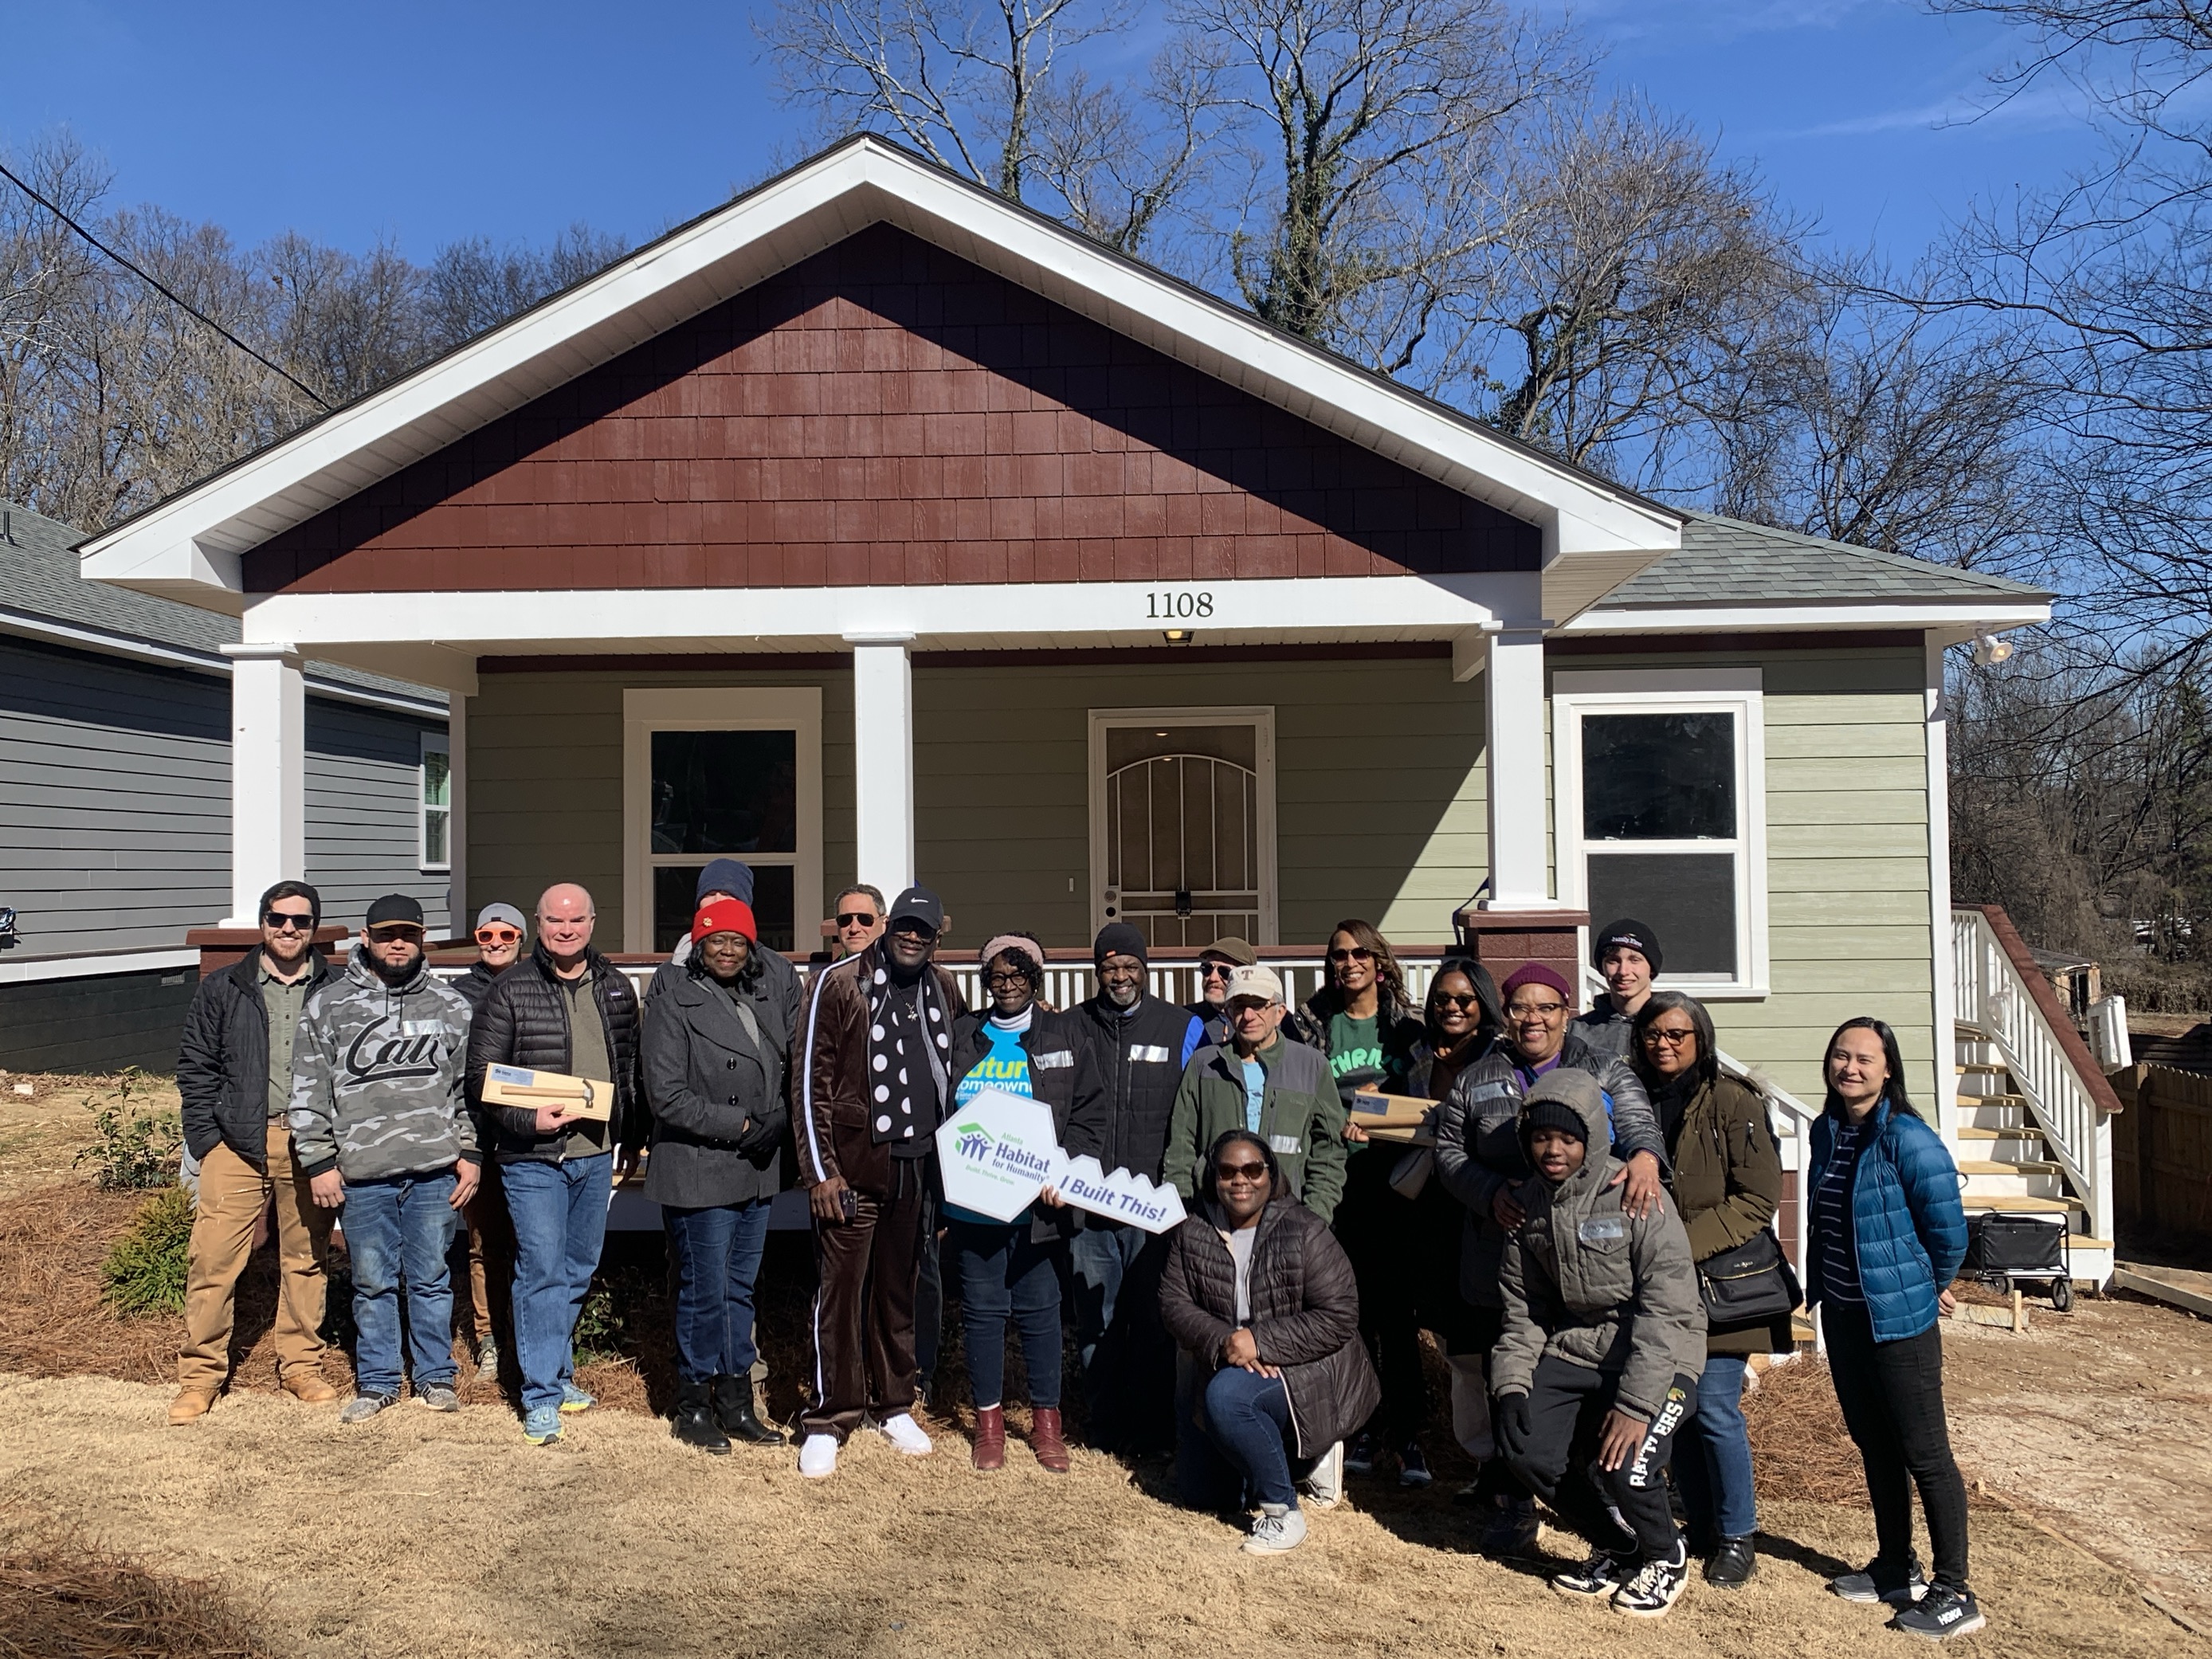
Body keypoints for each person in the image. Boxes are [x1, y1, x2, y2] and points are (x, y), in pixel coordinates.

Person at [1433, 959, 1669, 1554]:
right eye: (1520, 1007)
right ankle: (1512, 1502)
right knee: (1505, 1369)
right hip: (1505, 1246)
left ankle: (1594, 1495)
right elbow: (1450, 1153)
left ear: (1567, 1012)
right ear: (1505, 1014)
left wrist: (1643, 1158)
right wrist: (1491, 1194)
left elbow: (1640, 1122)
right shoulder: (1479, 1077)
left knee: (1579, 1376)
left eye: (1546, 1007)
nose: (1532, 1018)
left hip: (1592, 1250)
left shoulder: (1603, 1066)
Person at [1492, 1069, 1707, 1619]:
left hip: (1665, 1352)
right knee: (1526, 1451)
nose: (1554, 1150)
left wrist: (1636, 1407)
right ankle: (1619, 1547)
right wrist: (1513, 1384)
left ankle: (1666, 1555)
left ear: (1591, 1135)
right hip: (1581, 1347)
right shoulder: (1527, 1209)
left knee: (1626, 1464)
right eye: (1541, 1137)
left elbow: (1669, 1309)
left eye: (1567, 1137)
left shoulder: (1635, 1193)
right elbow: (1524, 1311)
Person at [1807, 1018, 1980, 1641]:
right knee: (1875, 1446)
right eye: (1840, 1056)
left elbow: (1949, 1234)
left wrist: (1927, 1286)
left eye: (1864, 1059)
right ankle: (1893, 1565)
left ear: (1888, 1070)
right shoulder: (1826, 1132)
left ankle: (1955, 1589)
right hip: (1847, 1317)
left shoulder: (1910, 1138)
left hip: (1900, 1324)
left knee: (1925, 1454)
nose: (1849, 1067)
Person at [794, 885, 967, 1478]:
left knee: (899, 1289)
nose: (913, 938)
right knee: (841, 1292)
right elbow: (810, 1084)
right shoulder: (837, 983)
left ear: (936, 936)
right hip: (854, 1167)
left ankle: (892, 1403)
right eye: (905, 927)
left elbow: (960, 1065)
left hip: (917, 1167)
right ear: (889, 928)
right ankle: (831, 1414)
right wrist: (821, 1171)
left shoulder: (944, 986)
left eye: (925, 930)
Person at [288, 896, 480, 1422]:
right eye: (387, 934)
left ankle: (435, 1376)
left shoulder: (451, 1007)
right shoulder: (328, 1005)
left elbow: (468, 1089)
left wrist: (470, 1152)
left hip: (433, 1173)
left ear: (422, 941)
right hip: (362, 1176)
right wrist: (319, 1161)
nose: (398, 943)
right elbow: (308, 1091)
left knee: (430, 1278)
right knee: (372, 1281)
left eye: (409, 934)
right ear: (366, 940)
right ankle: (376, 1382)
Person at [465, 882, 642, 1446]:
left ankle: (558, 1374)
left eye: (577, 920)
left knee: (577, 1268)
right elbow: (482, 1081)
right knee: (540, 1269)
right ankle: (540, 1394)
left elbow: (629, 1072)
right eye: (554, 921)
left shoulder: (615, 988)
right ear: (539, 925)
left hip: (594, 1156)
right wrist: (529, 1123)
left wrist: (631, 1137)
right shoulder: (511, 990)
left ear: (593, 922)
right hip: (532, 1158)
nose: (566, 930)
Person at [1630, 990, 1792, 1588]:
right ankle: (1697, 1522)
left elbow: (1756, 1200)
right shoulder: (1633, 1101)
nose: (1664, 1044)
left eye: (1677, 1034)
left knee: (1718, 1409)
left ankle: (1736, 1535)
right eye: (1653, 1034)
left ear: (1701, 1039)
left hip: (1723, 1286)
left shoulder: (1732, 1100)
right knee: (1684, 1411)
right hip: (1660, 1290)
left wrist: (1677, 1247)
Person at [1158, 1128, 1380, 1555]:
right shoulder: (1194, 1229)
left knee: (1226, 1398)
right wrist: (1228, 1342)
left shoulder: (1304, 1229)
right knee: (1205, 1493)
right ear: (1214, 1178)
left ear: (1270, 1175)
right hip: (1233, 1359)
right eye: (1228, 1171)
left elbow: (1341, 1315)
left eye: (1252, 1169)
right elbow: (1174, 1304)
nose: (1240, 1180)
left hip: (1308, 1365)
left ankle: (1284, 1512)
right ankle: (1298, 1460)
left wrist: (1261, 1341)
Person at [171, 880, 339, 1424]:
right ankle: (200, 1377)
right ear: (263, 923)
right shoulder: (225, 987)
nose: (289, 929)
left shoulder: (336, 991)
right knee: (213, 1258)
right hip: (237, 1143)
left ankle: (300, 1366)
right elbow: (196, 1068)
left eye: (301, 921)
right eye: (278, 918)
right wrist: (206, 1139)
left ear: (314, 928)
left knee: (306, 1259)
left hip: (310, 1143)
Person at [946, 933, 1108, 1472]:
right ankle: (988, 1423)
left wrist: (1067, 1169)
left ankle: (1046, 1423)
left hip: (1039, 1207)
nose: (1007, 986)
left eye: (1018, 976)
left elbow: (1088, 1114)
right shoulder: (963, 1036)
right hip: (976, 1204)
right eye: (997, 976)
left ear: (1036, 983)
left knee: (1041, 1313)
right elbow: (941, 1109)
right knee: (983, 1311)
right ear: (985, 982)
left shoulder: (1063, 1036)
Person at [642, 896, 789, 1453]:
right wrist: (741, 1123)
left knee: (738, 1292)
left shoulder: (759, 998)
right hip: (700, 1168)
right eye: (716, 940)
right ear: (697, 947)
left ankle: (736, 1404)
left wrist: (775, 1121)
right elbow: (667, 1097)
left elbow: (782, 1067)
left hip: (755, 1168)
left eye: (738, 942)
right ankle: (693, 1405)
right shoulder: (672, 1002)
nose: (727, 950)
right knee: (704, 1293)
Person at [1300, 921, 1430, 1488]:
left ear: (1379, 962)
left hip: (1397, 1184)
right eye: (1337, 954)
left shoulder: (1408, 1029)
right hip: (1335, 1183)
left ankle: (1407, 1437)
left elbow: (1431, 1105)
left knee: (1397, 1317)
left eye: (1358, 953)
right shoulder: (1310, 1025)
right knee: (1344, 1312)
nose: (1347, 962)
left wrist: (1388, 1112)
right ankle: (1354, 1426)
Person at [1069, 921, 1202, 1451]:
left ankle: (1152, 1431)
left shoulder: (1182, 1027)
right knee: (1096, 1320)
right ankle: (1105, 1426)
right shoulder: (1074, 1027)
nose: (1119, 976)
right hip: (1090, 1203)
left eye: (1129, 967)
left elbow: (1193, 1111)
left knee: (1153, 1319)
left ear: (1145, 970)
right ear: (1096, 971)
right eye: (1109, 967)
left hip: (1156, 1205)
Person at [1402, 957, 1507, 1497]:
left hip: (1483, 1210)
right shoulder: (1418, 1054)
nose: (1452, 1008)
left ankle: (1506, 1463)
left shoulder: (1500, 1057)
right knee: (1455, 1345)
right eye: (1442, 999)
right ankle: (1479, 1457)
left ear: (1483, 1003)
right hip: (1430, 1207)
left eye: (1464, 1000)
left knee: (1491, 1339)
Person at [1162, 964, 1347, 1225]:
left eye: (1259, 1005)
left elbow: (1329, 1150)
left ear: (1280, 1012)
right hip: (1215, 1219)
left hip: (1288, 1221)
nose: (1248, 1015)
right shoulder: (1204, 1065)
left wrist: (1315, 1216)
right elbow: (1181, 1145)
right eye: (1239, 1006)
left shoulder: (1311, 1066)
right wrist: (1186, 1210)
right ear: (1228, 1013)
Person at [453, 900, 527, 1384]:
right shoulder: (458, 997)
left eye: (506, 936)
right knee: (482, 1245)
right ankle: (489, 1341)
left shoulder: (537, 985)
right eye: (486, 936)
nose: (496, 944)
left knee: (533, 1245)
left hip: (531, 1137)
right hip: (478, 1137)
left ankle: (531, 1341)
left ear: (522, 939)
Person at [1576, 920, 1661, 1059]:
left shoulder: (1673, 1026)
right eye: (1613, 961)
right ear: (1602, 968)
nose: (1623, 971)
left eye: (1634, 960)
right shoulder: (1578, 1031)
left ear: (1651, 968)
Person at [1186, 935, 1257, 1047]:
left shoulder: (1261, 1022)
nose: (1213, 978)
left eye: (1224, 972)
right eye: (1208, 969)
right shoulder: (1185, 1019)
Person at [832, 884, 887, 959]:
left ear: (884, 923)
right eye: (845, 920)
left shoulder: (900, 970)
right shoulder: (828, 971)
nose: (854, 929)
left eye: (865, 919)